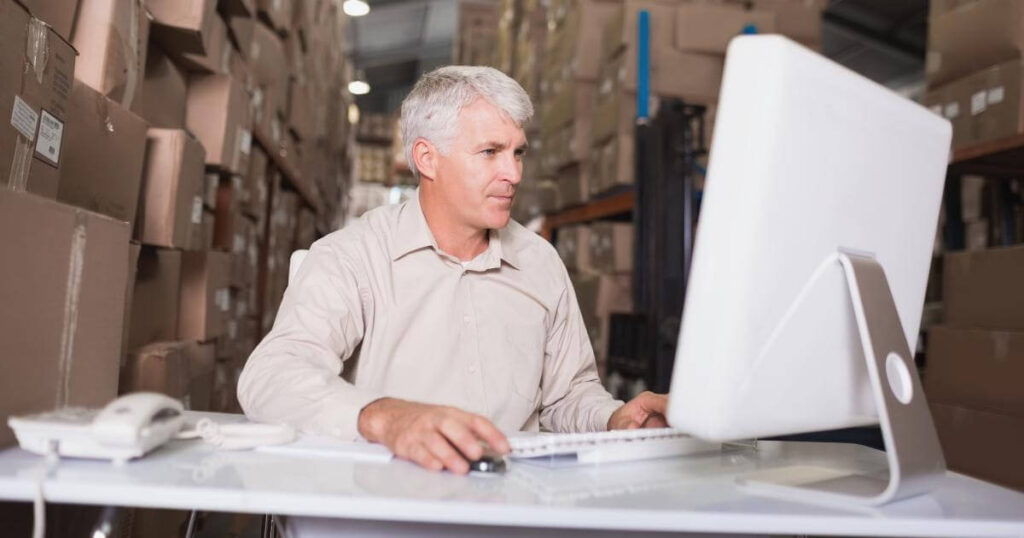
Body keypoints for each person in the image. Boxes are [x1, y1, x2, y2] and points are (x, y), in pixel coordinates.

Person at [238, 65, 668, 474]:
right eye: (490, 152)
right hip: (386, 502)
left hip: (511, 504)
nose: (513, 173)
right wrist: (385, 418)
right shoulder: (351, 257)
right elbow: (271, 376)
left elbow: (567, 396)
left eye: (518, 152)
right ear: (427, 159)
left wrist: (615, 418)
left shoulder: (540, 262)